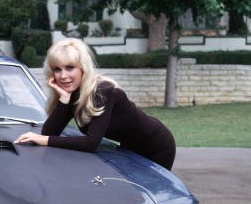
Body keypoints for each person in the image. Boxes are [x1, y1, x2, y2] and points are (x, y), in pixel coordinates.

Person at [14, 38, 176, 170]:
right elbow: (49, 132)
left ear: (82, 68)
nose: (63, 76)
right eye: (57, 69)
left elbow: (91, 143)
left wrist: (44, 140)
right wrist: (63, 100)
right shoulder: (73, 94)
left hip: (157, 147)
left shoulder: (103, 90)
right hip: (129, 147)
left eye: (70, 68)